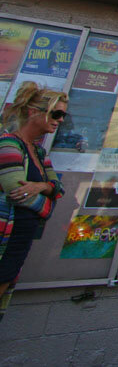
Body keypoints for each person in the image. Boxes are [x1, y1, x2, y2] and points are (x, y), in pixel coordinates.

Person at [0, 82, 66, 323]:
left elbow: (57, 188)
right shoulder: (9, 144)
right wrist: (47, 204)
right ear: (33, 112)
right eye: (55, 113)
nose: (59, 120)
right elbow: (17, 192)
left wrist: (41, 186)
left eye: (62, 115)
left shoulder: (38, 153)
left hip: (19, 238)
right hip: (5, 235)